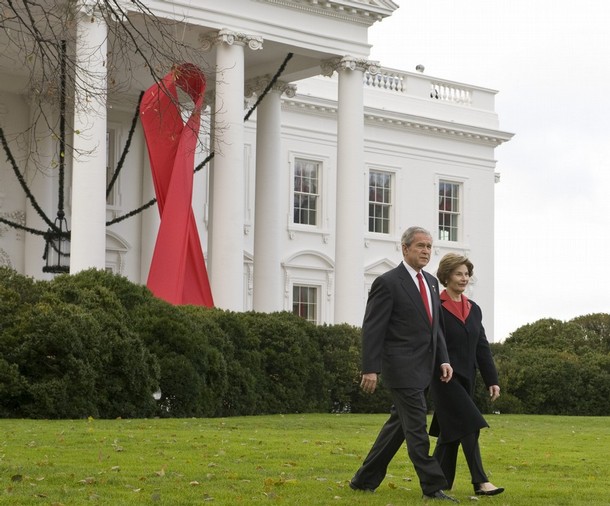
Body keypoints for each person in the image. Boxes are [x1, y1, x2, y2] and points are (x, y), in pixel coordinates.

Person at [349, 226, 459, 502]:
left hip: (426, 368)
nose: (425, 251)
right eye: (420, 246)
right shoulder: (387, 282)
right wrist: (370, 368)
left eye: (429, 247)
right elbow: (373, 328)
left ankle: (363, 480)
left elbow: (436, 327)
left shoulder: (433, 282)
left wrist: (443, 359)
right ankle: (433, 486)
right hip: (401, 369)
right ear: (405, 248)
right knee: (417, 429)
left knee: (398, 427)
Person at [429, 253, 504, 496]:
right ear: (447, 276)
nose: (464, 278)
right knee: (470, 423)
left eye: (466, 274)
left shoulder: (474, 309)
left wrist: (491, 379)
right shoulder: (435, 306)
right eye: (459, 273)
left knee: (452, 430)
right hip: (443, 378)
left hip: (467, 378)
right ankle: (480, 481)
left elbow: (481, 346)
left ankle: (437, 482)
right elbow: (431, 343)